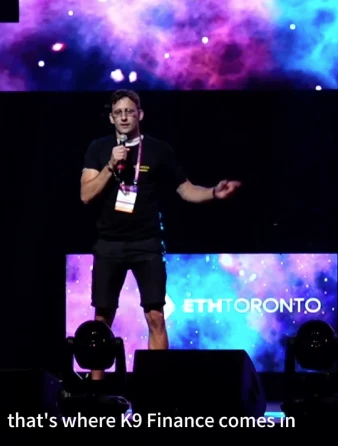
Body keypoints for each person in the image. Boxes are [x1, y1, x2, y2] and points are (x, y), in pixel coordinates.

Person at [80, 90, 241, 379]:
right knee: (102, 319)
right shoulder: (98, 148)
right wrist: (109, 166)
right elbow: (86, 195)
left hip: (148, 244)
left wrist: (214, 193)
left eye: (130, 111)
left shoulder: (158, 150)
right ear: (111, 118)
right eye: (118, 113)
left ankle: (156, 386)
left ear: (140, 115)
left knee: (155, 316)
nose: (124, 117)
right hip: (109, 245)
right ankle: (96, 389)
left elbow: (186, 190)